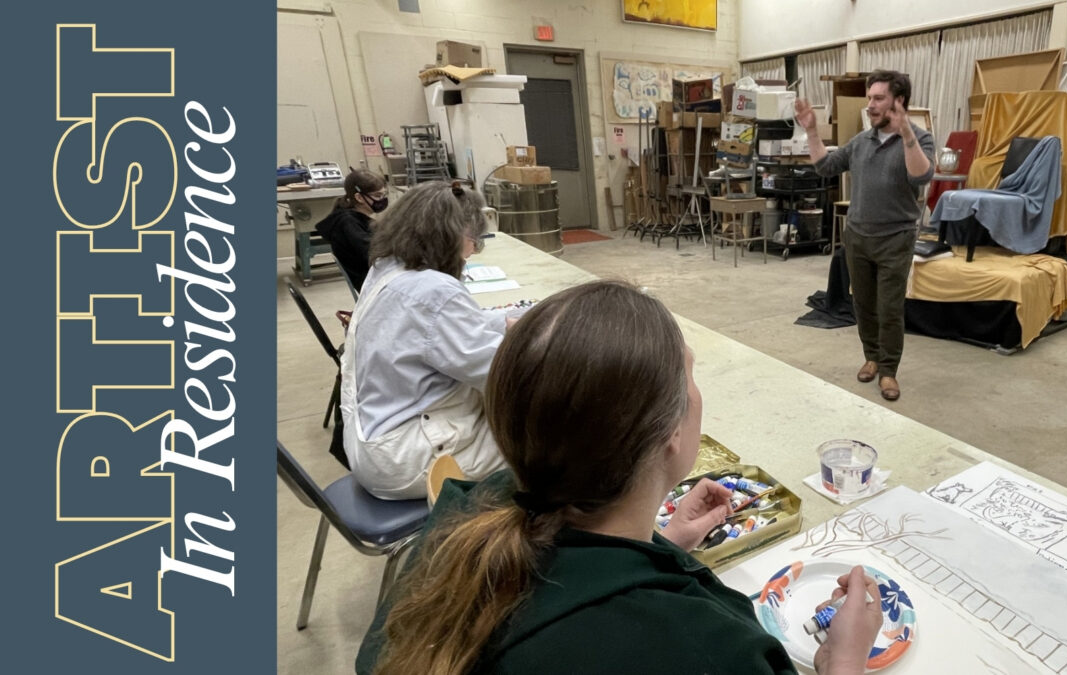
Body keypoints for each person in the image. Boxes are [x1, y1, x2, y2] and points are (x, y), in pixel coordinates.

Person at [355, 280, 883, 674]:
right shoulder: (705, 648)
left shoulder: (469, 515)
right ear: (671, 432)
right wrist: (845, 660)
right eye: (690, 377)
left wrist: (661, 541)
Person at [340, 180, 510, 500]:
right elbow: (501, 372)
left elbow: (432, 328)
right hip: (407, 459)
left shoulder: (388, 270)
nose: (473, 251)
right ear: (452, 235)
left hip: (373, 442)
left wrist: (504, 322)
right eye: (474, 240)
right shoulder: (434, 290)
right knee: (549, 437)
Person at [795, 70, 934, 402]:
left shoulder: (919, 139)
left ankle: (888, 371)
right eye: (869, 97)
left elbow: (922, 175)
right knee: (864, 304)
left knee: (889, 308)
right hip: (857, 236)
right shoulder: (862, 141)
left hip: (895, 238)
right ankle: (871, 356)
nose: (870, 105)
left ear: (898, 102)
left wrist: (906, 136)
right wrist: (812, 131)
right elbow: (825, 166)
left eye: (878, 98)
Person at [315, 168, 388, 291]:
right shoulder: (348, 222)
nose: (382, 199)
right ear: (359, 197)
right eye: (378, 195)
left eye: (384, 194)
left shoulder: (354, 217)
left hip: (374, 276)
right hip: (371, 283)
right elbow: (373, 252)